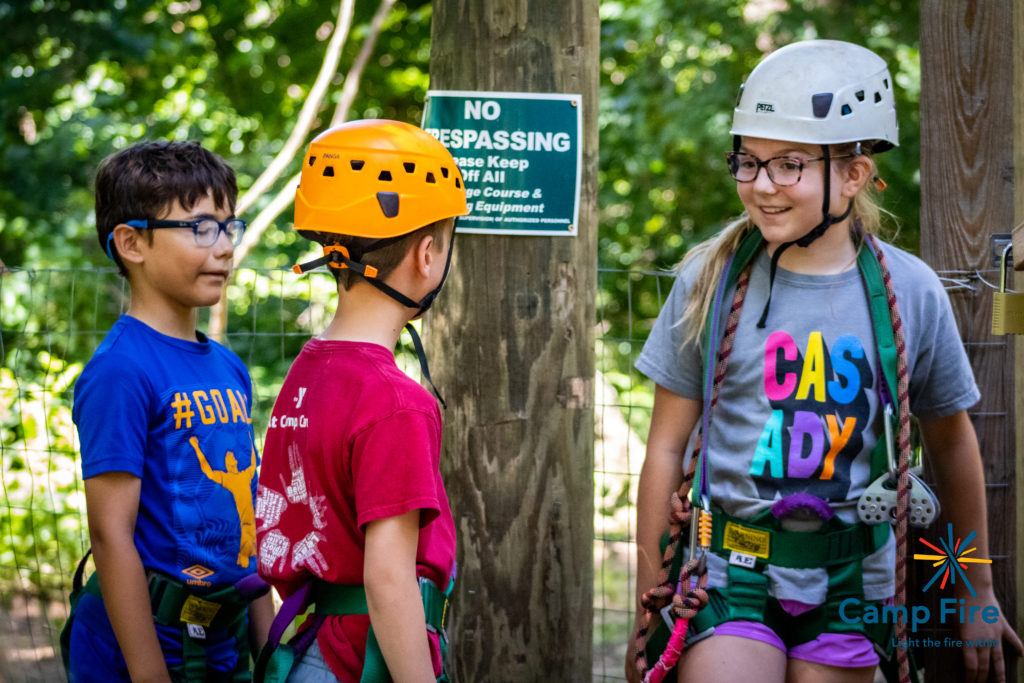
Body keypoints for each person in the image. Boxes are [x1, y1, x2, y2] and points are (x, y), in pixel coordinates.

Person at [627, 40, 1022, 683]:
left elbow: (952, 446)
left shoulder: (911, 291)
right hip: (729, 579)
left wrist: (976, 590)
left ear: (854, 174)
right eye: (748, 162)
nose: (760, 185)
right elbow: (665, 448)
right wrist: (650, 607)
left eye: (788, 165)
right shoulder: (711, 280)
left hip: (853, 589)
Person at [254, 119, 467, 682]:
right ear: (427, 255)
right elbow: (389, 578)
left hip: (308, 648)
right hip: (361, 663)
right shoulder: (397, 402)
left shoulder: (307, 371)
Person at [66, 140, 274, 682]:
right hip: (136, 649)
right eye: (201, 228)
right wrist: (149, 673)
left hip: (221, 643)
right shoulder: (121, 371)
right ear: (132, 242)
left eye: (230, 226)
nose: (225, 246)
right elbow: (111, 535)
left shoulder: (228, 368)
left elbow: (244, 515)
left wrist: (268, 647)